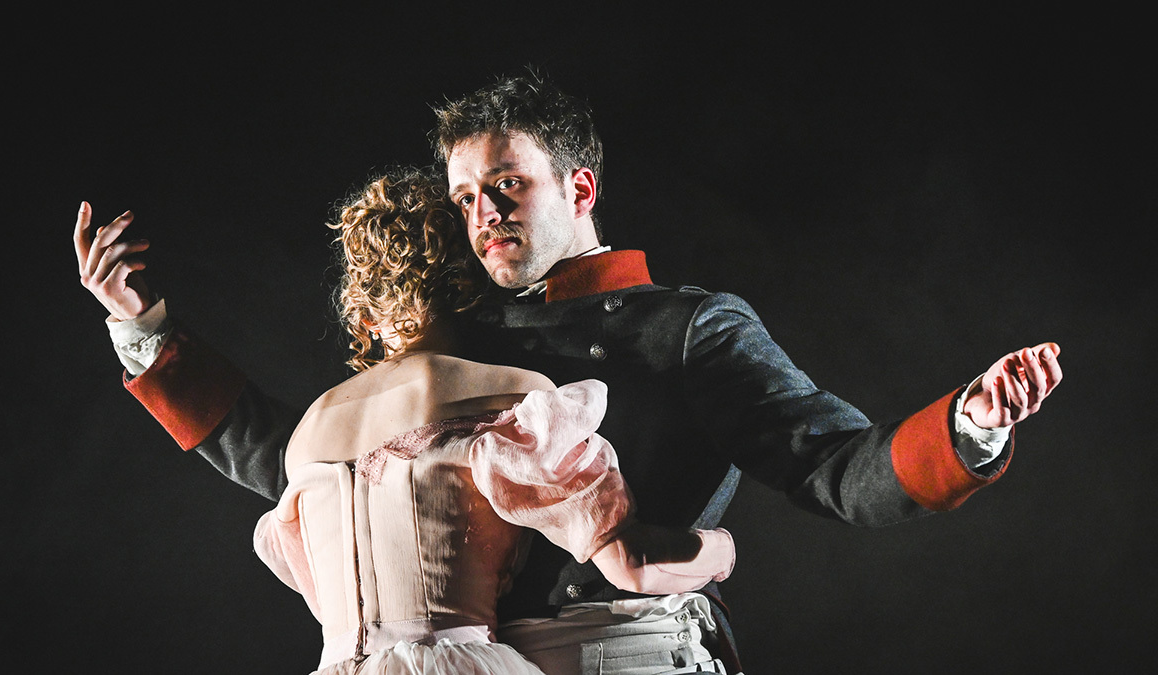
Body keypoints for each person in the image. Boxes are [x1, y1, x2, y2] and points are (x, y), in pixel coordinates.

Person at [77, 72, 1062, 674]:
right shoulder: (454, 343)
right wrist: (143, 329)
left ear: (579, 185)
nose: (484, 215)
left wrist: (970, 425)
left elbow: (837, 469)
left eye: (507, 185)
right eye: (466, 197)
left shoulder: (687, 328)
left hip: (628, 658)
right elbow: (306, 465)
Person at [76, 167, 737, 674]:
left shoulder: (309, 435)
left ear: (363, 313)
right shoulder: (516, 398)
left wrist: (140, 323)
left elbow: (250, 443)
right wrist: (720, 550)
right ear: (471, 288)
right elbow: (633, 563)